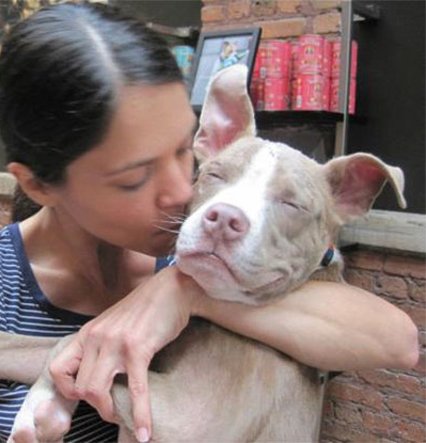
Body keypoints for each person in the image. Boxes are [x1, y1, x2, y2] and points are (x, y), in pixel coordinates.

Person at [0, 2, 418, 442]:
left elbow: (399, 341)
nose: (182, 191)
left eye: (185, 152)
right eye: (135, 176)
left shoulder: (202, 258)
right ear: (38, 185)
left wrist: (183, 292)